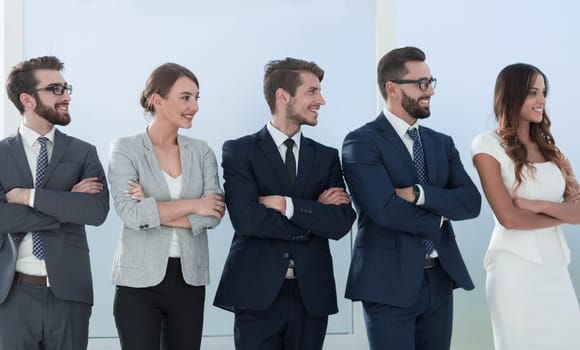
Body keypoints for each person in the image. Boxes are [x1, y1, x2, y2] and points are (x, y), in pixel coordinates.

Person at [342, 46, 481, 350]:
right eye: (421, 83)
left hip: (439, 280)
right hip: (387, 283)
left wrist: (419, 194)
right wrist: (442, 214)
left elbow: (471, 203)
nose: (429, 90)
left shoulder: (441, 143)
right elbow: (385, 211)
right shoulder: (361, 142)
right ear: (392, 89)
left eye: (431, 81)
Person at [213, 57, 356, 350]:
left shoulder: (326, 156)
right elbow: (246, 219)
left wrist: (287, 205)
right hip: (256, 292)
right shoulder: (239, 151)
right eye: (312, 92)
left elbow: (341, 222)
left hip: (311, 295)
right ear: (283, 96)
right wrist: (313, 211)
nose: (322, 100)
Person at [107, 63, 224, 350]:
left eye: (197, 98)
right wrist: (195, 204)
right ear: (157, 100)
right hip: (137, 284)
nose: (194, 106)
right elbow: (131, 214)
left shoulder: (201, 151)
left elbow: (214, 215)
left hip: (189, 281)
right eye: (185, 97)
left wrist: (153, 207)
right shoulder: (125, 148)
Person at [0, 56, 109, 350]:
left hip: (69, 295)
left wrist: (27, 196)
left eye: (66, 88)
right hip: (11, 297)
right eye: (55, 89)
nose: (67, 96)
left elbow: (96, 211)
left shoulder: (84, 153)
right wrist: (66, 205)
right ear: (27, 99)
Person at [471, 63, 580, 350]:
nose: (542, 100)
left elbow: (578, 212)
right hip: (513, 270)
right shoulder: (486, 145)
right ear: (511, 95)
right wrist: (560, 212)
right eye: (533, 92)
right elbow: (509, 217)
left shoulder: (553, 152)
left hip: (555, 268)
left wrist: (536, 204)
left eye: (544, 92)